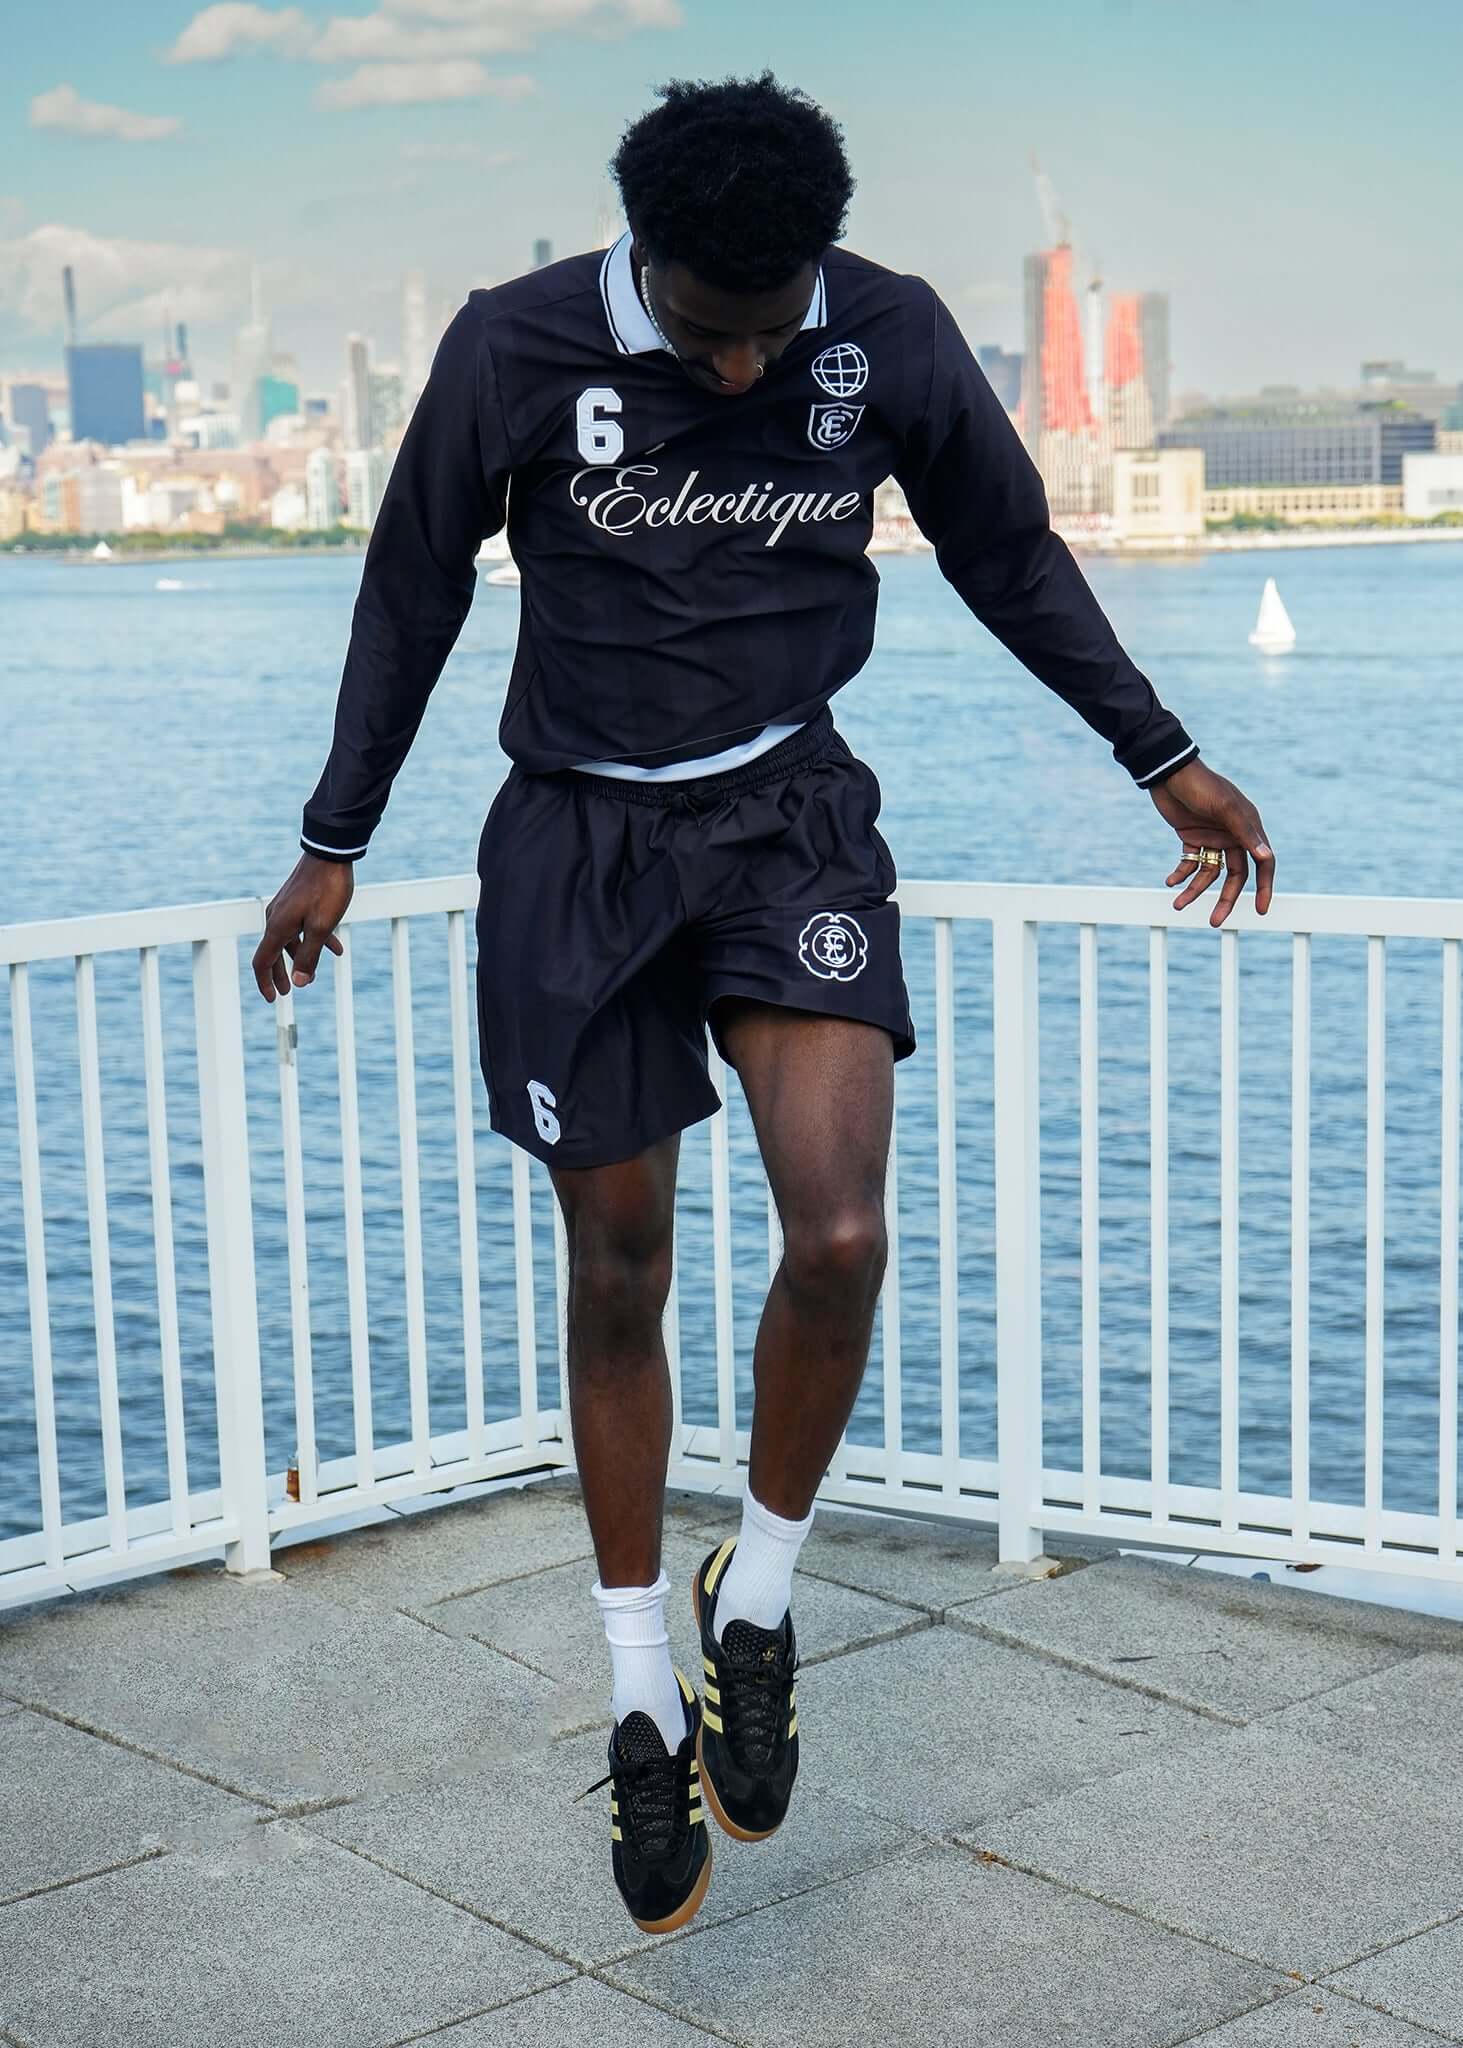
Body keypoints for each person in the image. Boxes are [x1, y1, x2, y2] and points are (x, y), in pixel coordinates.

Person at [251, 70, 1275, 1935]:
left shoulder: (878, 331)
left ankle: (765, 1602)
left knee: (842, 1228)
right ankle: (643, 1690)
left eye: (772, 330)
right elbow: (407, 593)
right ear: (644, 262)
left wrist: (1164, 756)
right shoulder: (515, 349)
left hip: (788, 819)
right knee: (622, 1264)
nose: (743, 375)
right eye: (712, 337)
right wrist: (333, 840)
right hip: (575, 847)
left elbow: (1010, 551)